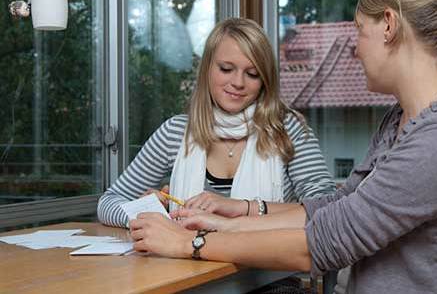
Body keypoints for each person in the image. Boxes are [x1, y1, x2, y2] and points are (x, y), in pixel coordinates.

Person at [128, 0, 437, 293]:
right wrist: (237, 213)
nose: (356, 48)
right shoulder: (402, 122)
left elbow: (324, 243)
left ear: (388, 25)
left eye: (359, 30)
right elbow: (337, 207)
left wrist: (186, 243)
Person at [97, 17, 336, 228]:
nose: (238, 82)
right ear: (207, 69)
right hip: (187, 272)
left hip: (270, 277)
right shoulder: (174, 133)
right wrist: (149, 214)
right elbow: (108, 203)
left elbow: (326, 208)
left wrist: (243, 207)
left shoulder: (286, 129)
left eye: (252, 74)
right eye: (226, 69)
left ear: (265, 80)